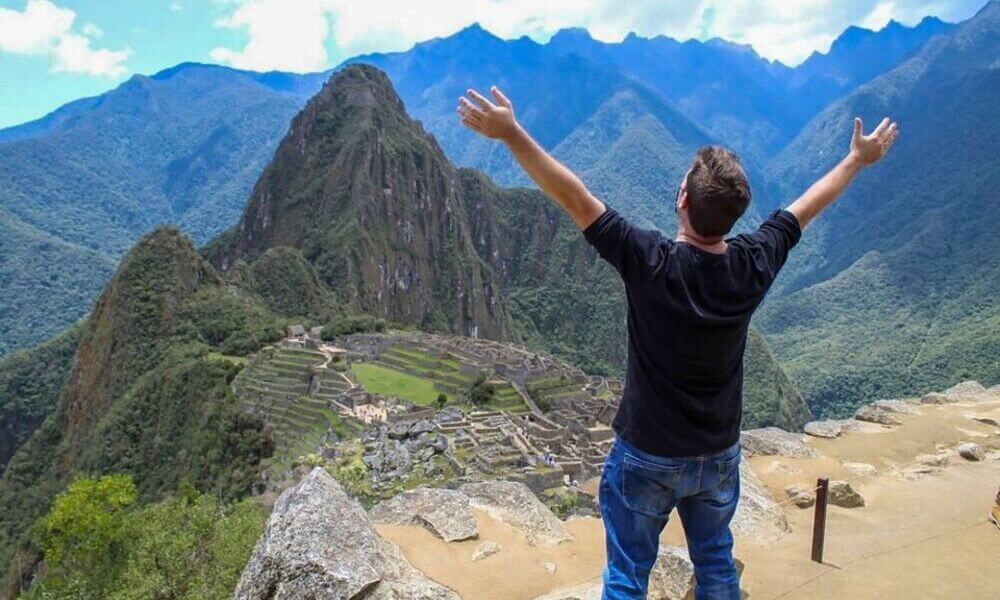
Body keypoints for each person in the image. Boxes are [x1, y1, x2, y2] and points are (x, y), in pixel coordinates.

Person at [458, 86, 898, 599]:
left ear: (682, 199)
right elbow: (805, 208)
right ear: (734, 216)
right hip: (716, 455)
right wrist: (855, 160)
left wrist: (511, 133)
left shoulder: (649, 261)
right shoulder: (755, 260)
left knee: (627, 575)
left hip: (646, 453)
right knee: (715, 563)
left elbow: (574, 196)